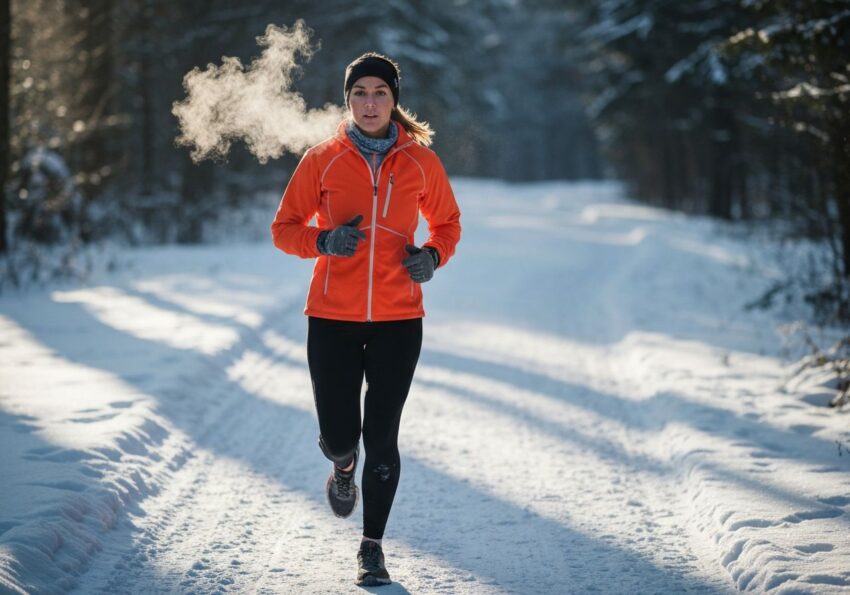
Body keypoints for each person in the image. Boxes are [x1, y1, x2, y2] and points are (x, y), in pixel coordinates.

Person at [271, 52, 461, 587]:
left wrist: (433, 255)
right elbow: (284, 228)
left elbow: (447, 222)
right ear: (347, 99)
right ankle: (341, 464)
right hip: (331, 316)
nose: (370, 102)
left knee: (383, 436)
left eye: (380, 92)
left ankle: (372, 546)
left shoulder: (422, 162)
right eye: (360, 93)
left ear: (395, 100)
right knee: (340, 434)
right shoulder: (322, 159)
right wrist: (323, 240)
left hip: (400, 319)